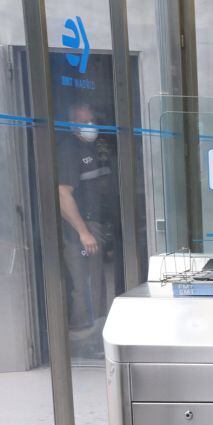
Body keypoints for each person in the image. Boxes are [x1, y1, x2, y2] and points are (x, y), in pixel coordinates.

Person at [58, 102, 116, 358]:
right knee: (83, 287)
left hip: (99, 225)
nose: (90, 127)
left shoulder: (96, 147)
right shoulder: (69, 150)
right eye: (85, 123)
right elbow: (62, 194)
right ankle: (80, 344)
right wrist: (83, 232)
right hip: (81, 230)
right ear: (73, 125)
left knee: (99, 284)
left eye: (92, 122)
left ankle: (96, 340)